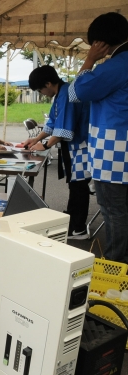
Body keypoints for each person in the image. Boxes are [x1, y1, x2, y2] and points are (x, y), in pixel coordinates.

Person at [68, 12, 128, 261]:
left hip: (113, 152)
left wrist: (90, 60)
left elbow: (75, 92)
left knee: (114, 212)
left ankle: (116, 271)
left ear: (100, 42)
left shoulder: (116, 65)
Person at [22, 65, 91, 240]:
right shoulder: (61, 93)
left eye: (40, 89)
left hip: (81, 148)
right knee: (75, 186)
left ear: (48, 83)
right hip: (74, 148)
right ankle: (73, 221)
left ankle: (78, 229)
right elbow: (52, 123)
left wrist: (45, 146)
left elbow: (64, 129)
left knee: (79, 187)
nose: (41, 93)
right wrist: (36, 139)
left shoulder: (67, 94)